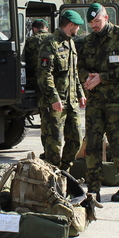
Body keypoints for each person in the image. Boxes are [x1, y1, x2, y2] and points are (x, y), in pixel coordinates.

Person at [78, 3, 119, 202]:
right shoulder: (87, 42)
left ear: (106, 18)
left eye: (97, 21)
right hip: (95, 100)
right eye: (91, 22)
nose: (94, 25)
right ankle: (93, 188)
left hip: (116, 100)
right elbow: (79, 67)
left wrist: (102, 77)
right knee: (93, 144)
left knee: (118, 143)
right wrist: (88, 78)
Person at [36, 10, 87, 172]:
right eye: (77, 26)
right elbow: (44, 73)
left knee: (76, 140)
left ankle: (64, 172)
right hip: (55, 104)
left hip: (71, 102)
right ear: (70, 25)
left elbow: (73, 73)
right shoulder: (50, 43)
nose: (78, 29)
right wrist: (53, 98)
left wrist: (80, 94)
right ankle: (52, 177)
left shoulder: (70, 42)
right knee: (54, 144)